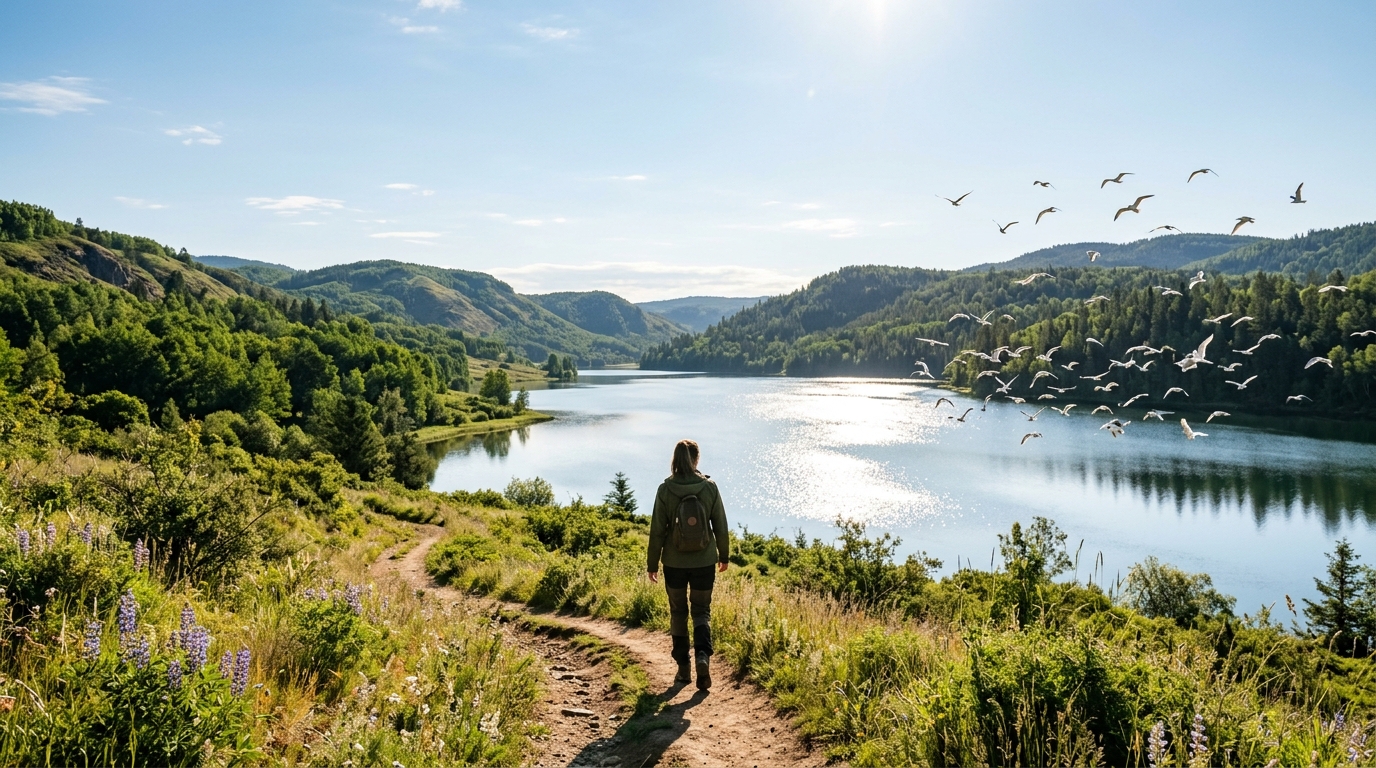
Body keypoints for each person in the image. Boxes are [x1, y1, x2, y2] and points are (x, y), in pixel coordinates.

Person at [646, 439, 729, 690]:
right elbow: (721, 527)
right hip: (704, 562)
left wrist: (652, 564)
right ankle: (703, 657)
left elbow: (657, 531)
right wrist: (723, 556)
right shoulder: (709, 487)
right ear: (696, 459)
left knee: (678, 613)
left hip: (674, 563)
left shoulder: (665, 489)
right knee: (701, 612)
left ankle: (683, 669)